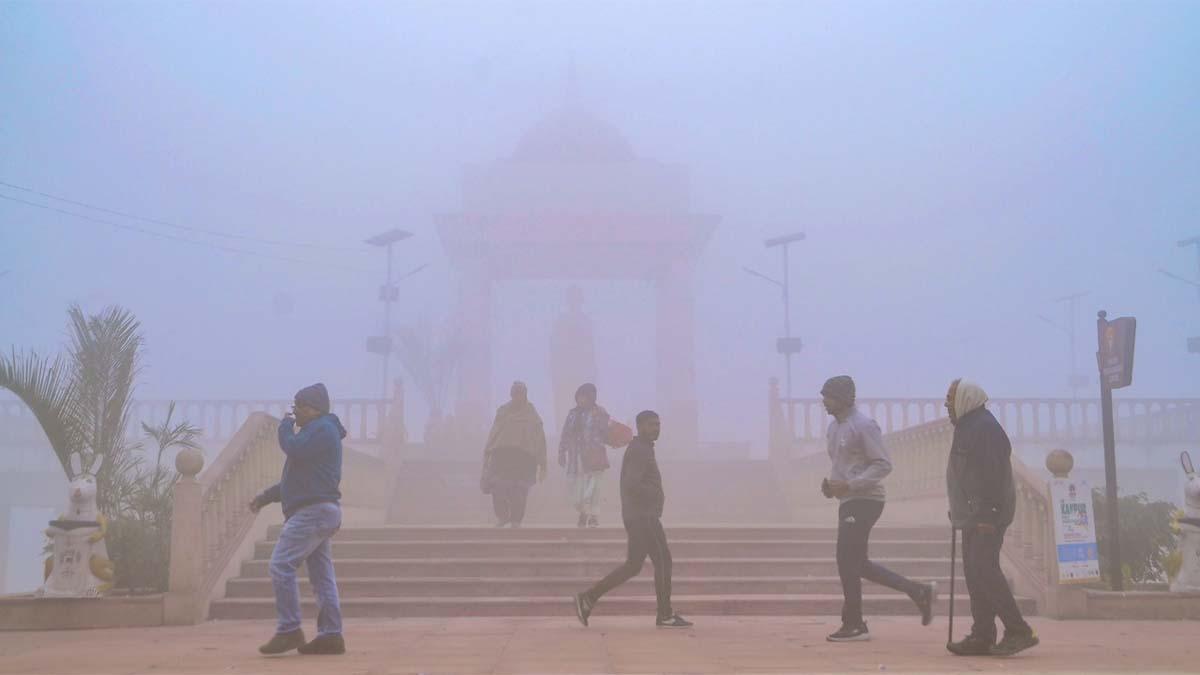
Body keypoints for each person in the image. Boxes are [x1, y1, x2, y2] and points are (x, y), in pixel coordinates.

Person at [820, 375, 937, 642]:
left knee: (846, 560)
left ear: (842, 398)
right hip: (848, 500)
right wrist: (832, 485)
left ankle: (854, 624)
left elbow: (883, 464)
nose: (824, 402)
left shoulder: (864, 425)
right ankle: (918, 592)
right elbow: (843, 465)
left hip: (867, 500)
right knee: (856, 563)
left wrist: (851, 484)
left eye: (827, 396)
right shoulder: (832, 428)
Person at [249, 383, 347, 656]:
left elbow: (293, 448)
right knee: (321, 576)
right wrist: (266, 497)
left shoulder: (322, 429)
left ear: (312, 408)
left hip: (312, 512)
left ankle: (289, 629)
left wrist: (283, 427)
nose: (294, 414)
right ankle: (331, 635)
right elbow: (295, 482)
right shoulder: (315, 434)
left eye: (297, 407)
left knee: (281, 565)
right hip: (319, 510)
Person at [944, 378, 1039, 657]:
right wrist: (960, 506)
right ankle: (982, 634)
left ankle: (1018, 630)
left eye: (950, 398)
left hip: (986, 514)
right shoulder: (967, 426)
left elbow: (991, 475)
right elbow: (966, 474)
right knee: (975, 573)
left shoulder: (984, 428)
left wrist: (986, 514)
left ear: (965, 398)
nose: (946, 404)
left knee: (984, 569)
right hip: (972, 514)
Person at [574, 410, 691, 628]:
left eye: (657, 424)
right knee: (663, 560)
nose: (656, 428)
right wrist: (654, 494)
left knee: (633, 565)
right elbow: (631, 484)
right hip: (643, 516)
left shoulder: (643, 449)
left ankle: (588, 598)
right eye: (650, 425)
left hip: (637, 515)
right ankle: (665, 614)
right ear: (640, 427)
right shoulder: (640, 450)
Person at [481, 381, 548, 528]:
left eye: (520, 393)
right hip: (502, 456)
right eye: (515, 393)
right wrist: (487, 453)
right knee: (497, 487)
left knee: (520, 491)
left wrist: (542, 463)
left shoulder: (531, 415)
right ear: (511, 394)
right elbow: (494, 433)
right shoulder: (503, 412)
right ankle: (502, 516)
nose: (518, 397)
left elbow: (539, 438)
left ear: (525, 395)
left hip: (524, 458)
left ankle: (516, 520)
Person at [559, 383, 610, 528]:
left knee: (594, 489)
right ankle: (583, 511)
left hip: (594, 457)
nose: (581, 400)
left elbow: (607, 433)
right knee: (575, 492)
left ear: (591, 397)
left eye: (584, 397)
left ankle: (593, 516)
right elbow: (565, 434)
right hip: (576, 458)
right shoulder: (572, 414)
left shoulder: (600, 412)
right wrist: (561, 452)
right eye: (579, 397)